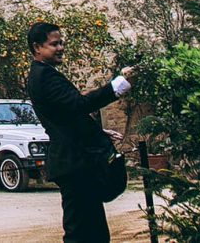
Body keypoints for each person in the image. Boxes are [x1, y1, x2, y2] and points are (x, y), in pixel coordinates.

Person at [25, 22, 134, 243]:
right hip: (74, 164)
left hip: (76, 163)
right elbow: (79, 104)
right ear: (37, 47)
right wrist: (118, 85)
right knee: (82, 232)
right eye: (54, 44)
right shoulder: (44, 76)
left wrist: (97, 131)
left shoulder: (44, 75)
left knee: (92, 231)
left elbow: (65, 116)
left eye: (61, 42)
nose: (60, 48)